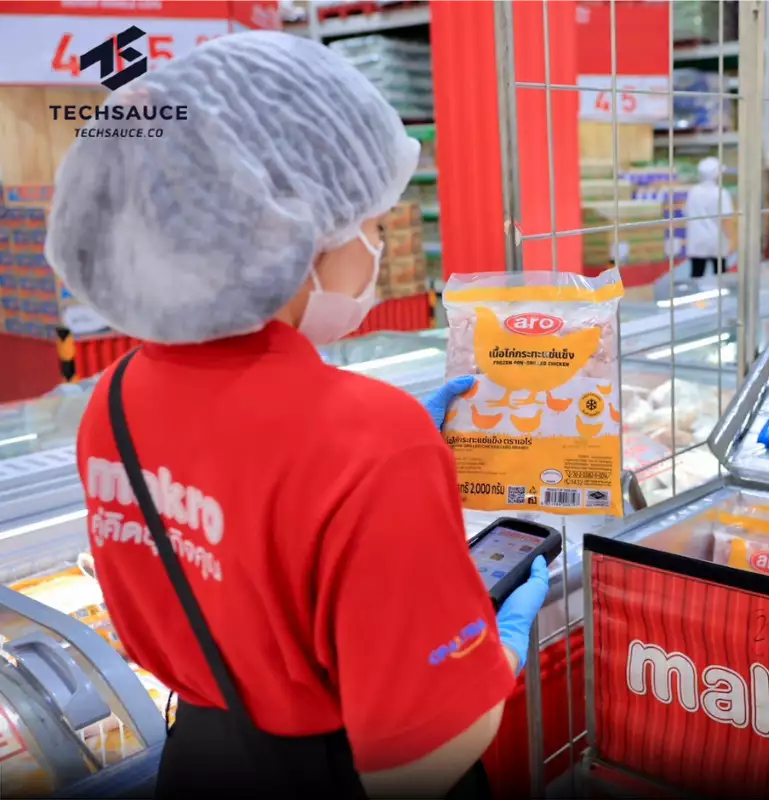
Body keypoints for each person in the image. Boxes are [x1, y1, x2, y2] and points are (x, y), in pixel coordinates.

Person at [45, 31, 548, 799]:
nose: (380, 243)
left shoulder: (109, 401)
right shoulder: (374, 440)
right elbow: (422, 763)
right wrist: (502, 653)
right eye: (373, 221)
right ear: (291, 233)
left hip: (199, 761)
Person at [683, 157, 737, 279]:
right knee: (720, 276)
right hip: (716, 240)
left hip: (697, 240)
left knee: (696, 274)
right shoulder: (721, 193)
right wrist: (732, 240)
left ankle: (696, 297)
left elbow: (686, 213)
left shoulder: (693, 192)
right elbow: (726, 219)